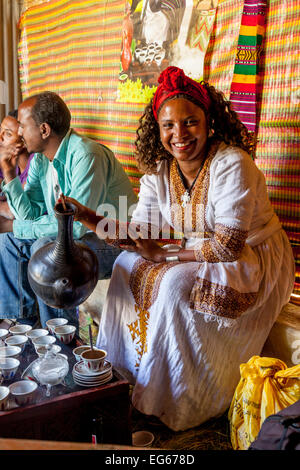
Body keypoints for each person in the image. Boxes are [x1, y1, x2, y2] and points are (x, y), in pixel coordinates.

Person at [62, 67, 295, 431]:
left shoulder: (232, 163)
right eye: (168, 125)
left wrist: (165, 256)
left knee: (171, 284)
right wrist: (86, 215)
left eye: (190, 122)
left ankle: (176, 404)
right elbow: (138, 231)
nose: (179, 134)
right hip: (202, 249)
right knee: (125, 264)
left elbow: (228, 245)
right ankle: (123, 383)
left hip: (252, 257)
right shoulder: (159, 171)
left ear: (208, 121)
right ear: (157, 128)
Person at [0, 91, 137, 330]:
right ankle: (23, 327)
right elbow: (29, 216)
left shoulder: (86, 154)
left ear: (44, 130)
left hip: (117, 241)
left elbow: (74, 228)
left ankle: (60, 336)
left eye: (22, 126)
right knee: (8, 241)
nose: (20, 133)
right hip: (81, 239)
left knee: (45, 246)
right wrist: (10, 176)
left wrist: (15, 225)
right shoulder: (41, 160)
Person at [0, 110, 34, 231]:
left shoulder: (36, 164)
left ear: (24, 141)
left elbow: (13, 213)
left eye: (8, 134)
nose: (0, 137)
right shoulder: (5, 159)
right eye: (1, 130)